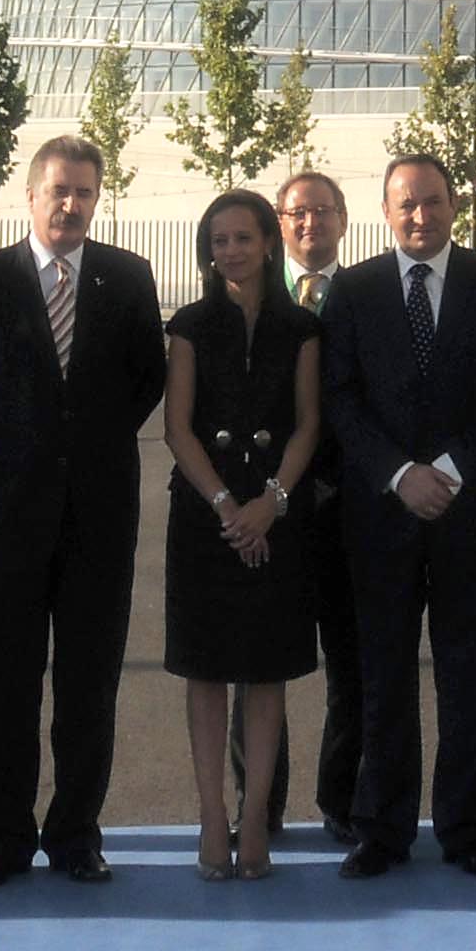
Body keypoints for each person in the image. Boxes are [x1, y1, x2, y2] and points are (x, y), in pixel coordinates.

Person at [0, 134, 167, 884]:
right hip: (4, 523)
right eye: (58, 192)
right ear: (31, 198)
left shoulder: (129, 279)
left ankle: (75, 835)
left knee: (87, 685)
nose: (71, 205)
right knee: (2, 686)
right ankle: (0, 839)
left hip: (98, 521)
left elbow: (144, 384)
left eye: (85, 193)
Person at [323, 154, 476, 876]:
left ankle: (469, 827)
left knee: (468, 674)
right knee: (382, 677)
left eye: (433, 202)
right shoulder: (351, 291)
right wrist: (399, 474)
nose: (420, 216)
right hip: (380, 515)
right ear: (386, 212)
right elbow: (340, 399)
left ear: (453, 206)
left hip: (470, 511)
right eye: (406, 205)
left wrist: (445, 471)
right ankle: (380, 827)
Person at [161, 187, 320, 879]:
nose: (230, 250)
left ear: (268, 243)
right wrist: (229, 506)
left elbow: (309, 423)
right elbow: (176, 428)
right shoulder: (191, 324)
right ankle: (209, 817)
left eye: (243, 238)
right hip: (206, 519)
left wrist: (273, 502)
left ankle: (254, 819)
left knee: (264, 674)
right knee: (205, 673)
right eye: (218, 240)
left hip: (278, 519)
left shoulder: (304, 328)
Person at [277, 166, 360, 848]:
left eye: (323, 212)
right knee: (259, 662)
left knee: (352, 663)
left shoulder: (367, 294)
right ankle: (260, 805)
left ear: (343, 218)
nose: (311, 224)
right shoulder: (239, 293)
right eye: (298, 213)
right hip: (267, 508)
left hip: (349, 507)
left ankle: (343, 800)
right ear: (281, 222)